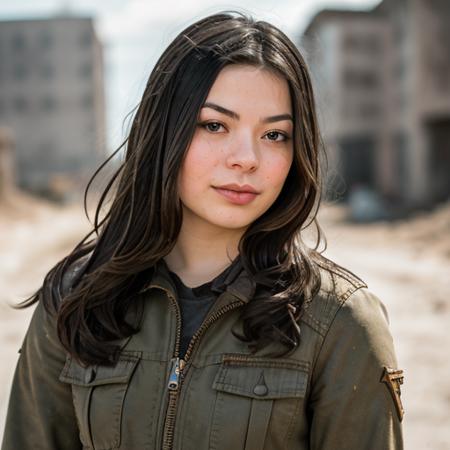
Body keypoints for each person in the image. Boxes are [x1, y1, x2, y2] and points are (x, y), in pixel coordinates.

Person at [1, 10, 404, 450]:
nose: (246, 158)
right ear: (164, 132)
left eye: (274, 135)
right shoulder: (75, 299)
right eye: (214, 125)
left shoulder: (340, 322)